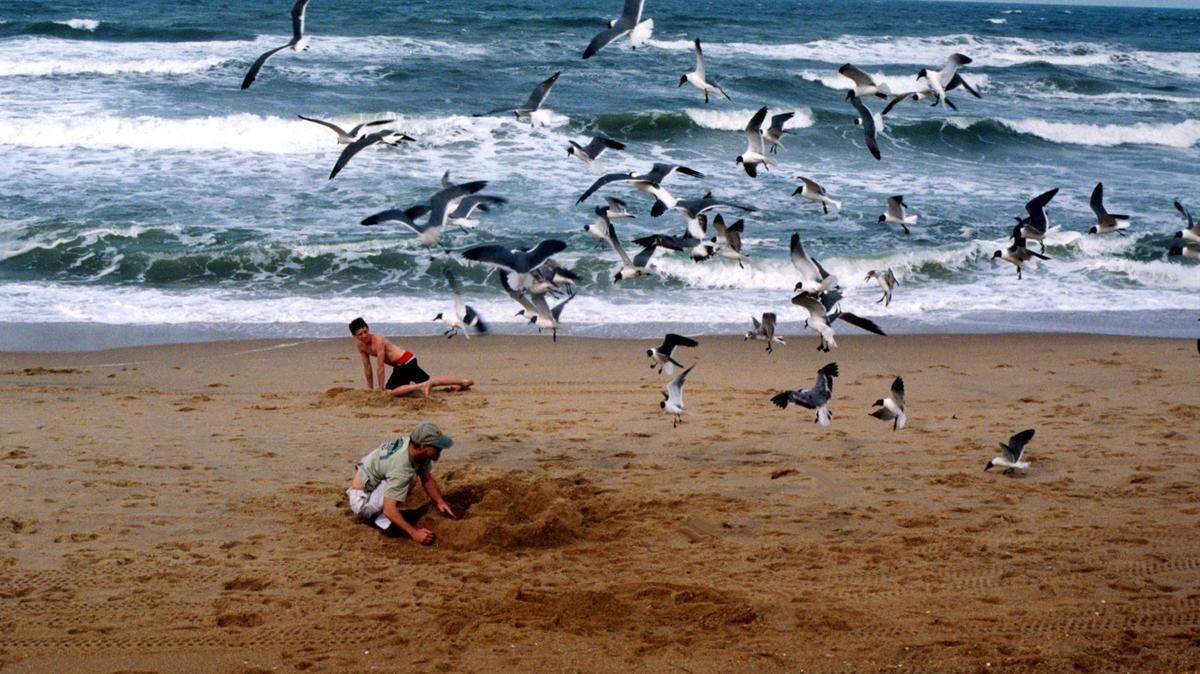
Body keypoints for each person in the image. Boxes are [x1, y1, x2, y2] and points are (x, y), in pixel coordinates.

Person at [346, 422, 457, 544]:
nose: (440, 450)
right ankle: (381, 520)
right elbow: (389, 509)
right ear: (423, 446)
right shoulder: (402, 466)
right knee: (409, 478)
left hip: (374, 484)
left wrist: (439, 501)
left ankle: (381, 513)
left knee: (410, 477)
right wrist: (414, 533)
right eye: (437, 447)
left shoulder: (413, 448)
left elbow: (426, 478)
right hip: (363, 500)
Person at [349, 317, 474, 398]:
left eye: (366, 331)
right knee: (431, 381)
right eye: (360, 334)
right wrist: (370, 388)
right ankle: (463, 382)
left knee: (391, 391)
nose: (364, 335)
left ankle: (420, 386)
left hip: (404, 362)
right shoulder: (361, 347)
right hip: (407, 361)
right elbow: (367, 368)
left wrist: (381, 389)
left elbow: (380, 367)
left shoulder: (378, 340)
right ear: (355, 336)